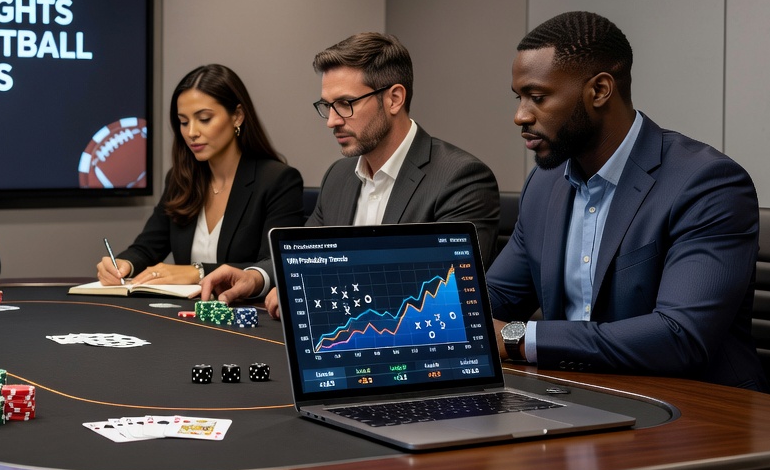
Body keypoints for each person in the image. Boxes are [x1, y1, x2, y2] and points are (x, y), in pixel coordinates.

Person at [438, 10, 770, 470]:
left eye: (536, 97)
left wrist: (517, 338)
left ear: (599, 90)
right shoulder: (546, 184)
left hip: (702, 441)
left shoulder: (706, 183)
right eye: (518, 97)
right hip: (578, 419)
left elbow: (678, 336)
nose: (520, 115)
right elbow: (494, 298)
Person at [200, 32, 500, 316]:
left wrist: (316, 292)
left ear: (394, 99)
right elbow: (303, 255)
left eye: (345, 104)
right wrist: (257, 277)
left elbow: (442, 287)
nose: (331, 121)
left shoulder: (460, 178)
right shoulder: (339, 176)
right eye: (327, 106)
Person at [95, 64, 304, 286]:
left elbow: (275, 265)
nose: (191, 132)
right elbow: (147, 247)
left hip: (245, 306)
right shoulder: (180, 179)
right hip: (185, 307)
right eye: (183, 122)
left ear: (237, 116)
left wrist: (198, 272)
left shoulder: (278, 180)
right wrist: (124, 264)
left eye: (204, 119)